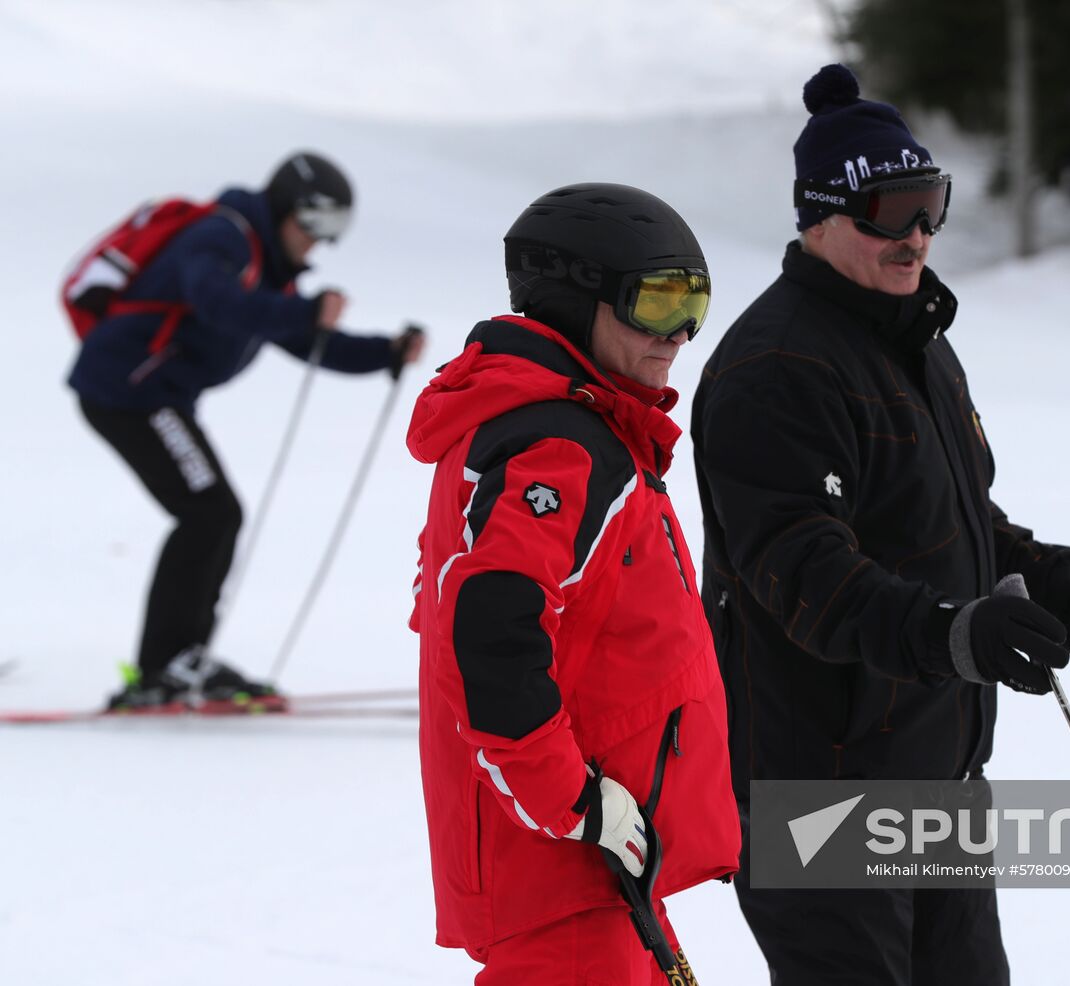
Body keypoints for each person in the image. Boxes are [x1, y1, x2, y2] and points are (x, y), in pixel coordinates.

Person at [691, 64, 1070, 985]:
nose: (917, 236)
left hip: (933, 781)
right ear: (819, 216)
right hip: (819, 796)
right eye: (890, 211)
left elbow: (952, 519)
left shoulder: (912, 341)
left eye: (930, 206)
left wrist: (1067, 591)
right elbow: (803, 573)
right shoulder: (774, 370)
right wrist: (953, 635)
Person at [407, 182, 740, 985]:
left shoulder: (576, 429)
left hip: (601, 867)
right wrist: (576, 802)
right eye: (656, 302)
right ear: (572, 299)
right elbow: (489, 630)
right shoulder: (560, 447)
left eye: (695, 302)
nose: (682, 334)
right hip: (565, 871)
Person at [68, 150, 425, 713]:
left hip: (150, 397)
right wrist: (304, 313)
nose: (321, 242)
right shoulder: (223, 238)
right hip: (127, 392)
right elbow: (216, 303)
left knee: (213, 514)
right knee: (210, 513)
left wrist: (385, 353)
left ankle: (181, 658)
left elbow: (304, 340)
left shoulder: (266, 274)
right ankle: (166, 664)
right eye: (317, 222)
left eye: (336, 228)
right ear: (286, 207)